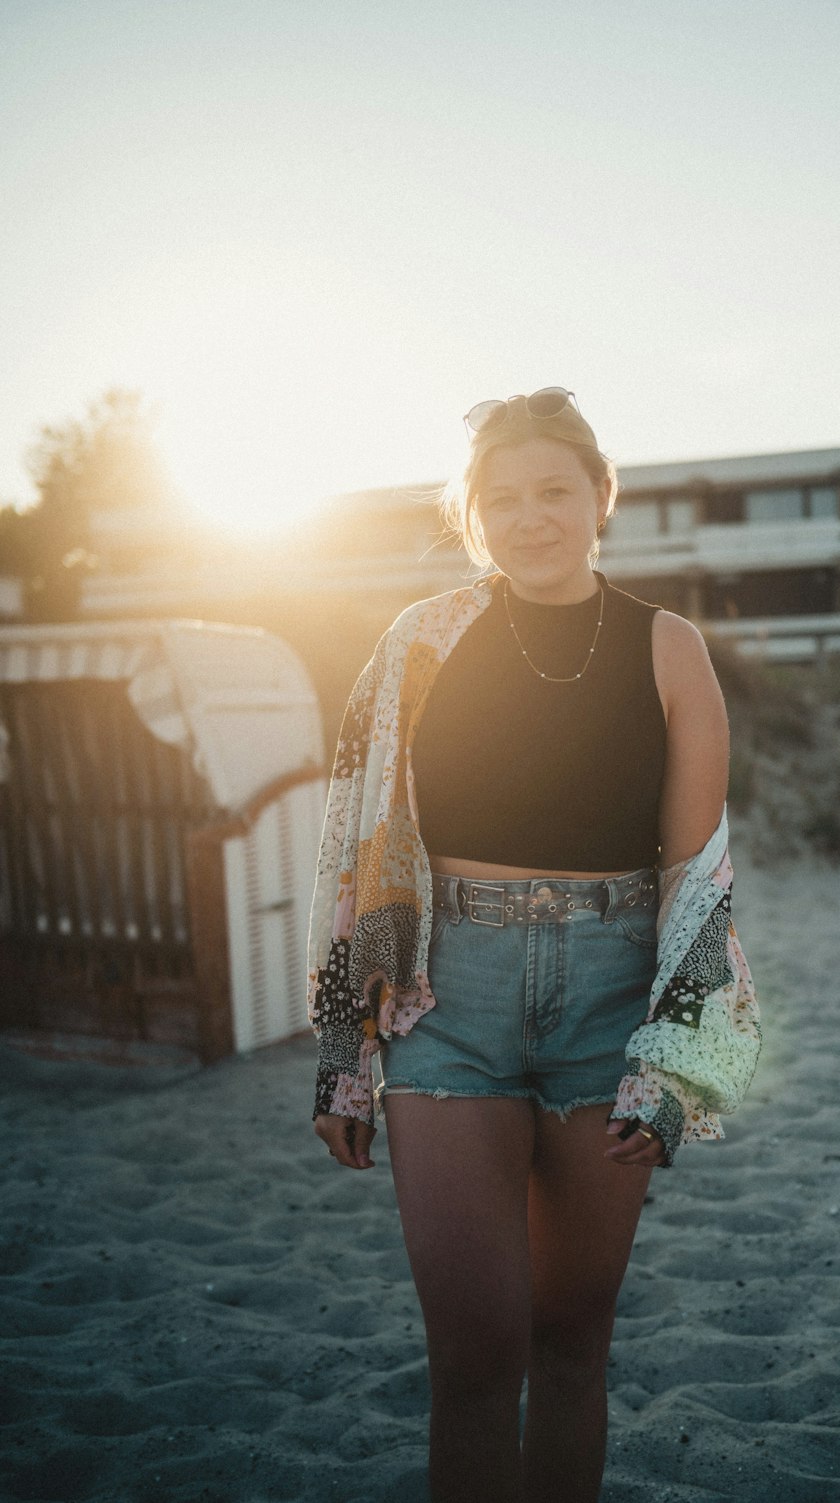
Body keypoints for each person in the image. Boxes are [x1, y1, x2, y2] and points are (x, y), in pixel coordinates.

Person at [308, 387, 760, 1503]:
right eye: (501, 498)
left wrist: (679, 1060)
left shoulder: (669, 647)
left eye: (555, 490)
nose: (531, 516)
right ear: (474, 517)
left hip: (610, 1006)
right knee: (473, 1352)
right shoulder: (417, 644)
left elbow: (698, 879)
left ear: (601, 497)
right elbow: (352, 852)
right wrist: (339, 1050)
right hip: (442, 1000)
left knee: (569, 1338)